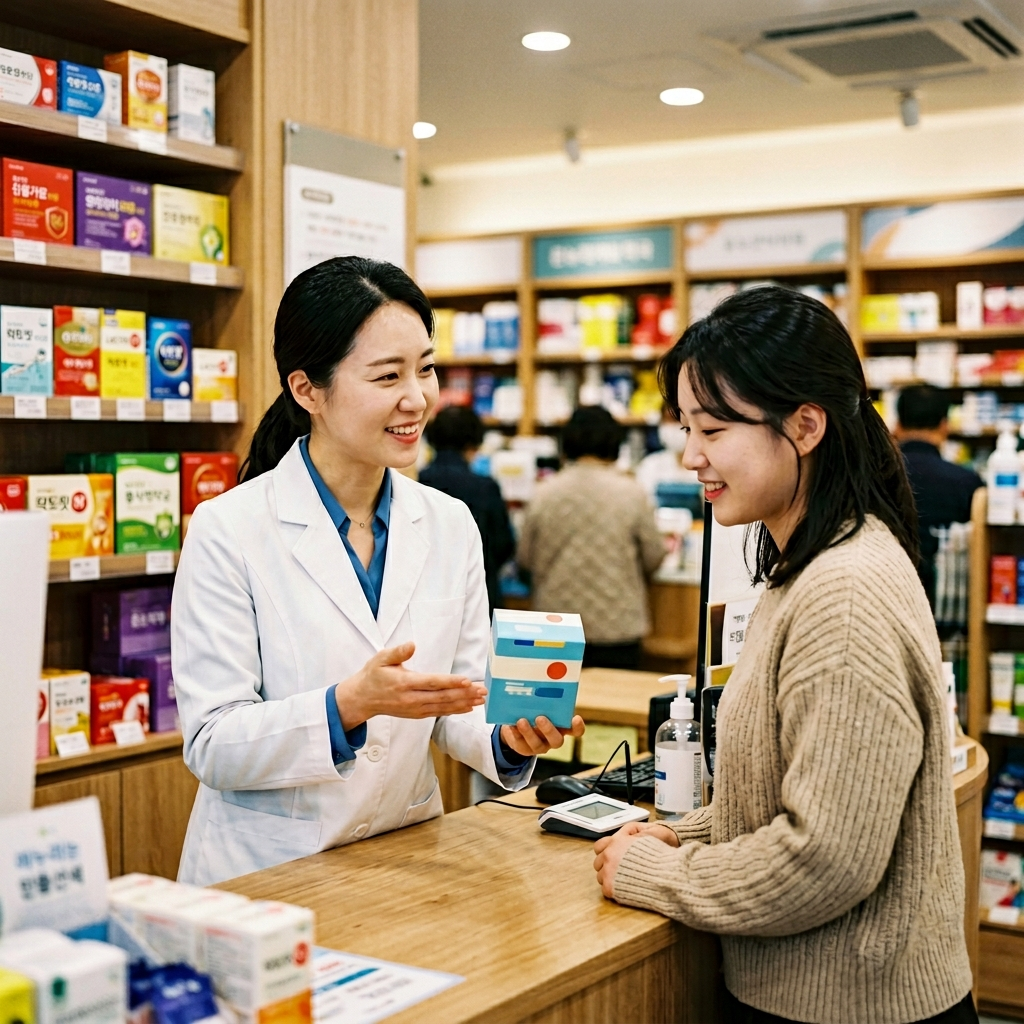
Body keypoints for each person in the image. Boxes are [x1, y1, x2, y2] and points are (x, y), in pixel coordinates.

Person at [592, 287, 977, 1024]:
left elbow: (825, 860)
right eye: (685, 427)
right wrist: (684, 831)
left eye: (712, 428)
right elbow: (793, 793)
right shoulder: (810, 560)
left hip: (851, 1010)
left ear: (804, 425)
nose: (691, 455)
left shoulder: (844, 594)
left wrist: (659, 873)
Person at [171, 257, 583, 885]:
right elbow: (212, 742)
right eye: (388, 375)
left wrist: (508, 737)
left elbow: (460, 699)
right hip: (268, 873)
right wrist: (346, 706)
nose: (416, 398)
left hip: (404, 860)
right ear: (307, 390)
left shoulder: (449, 523)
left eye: (426, 368)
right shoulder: (228, 529)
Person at [517, 405, 665, 670]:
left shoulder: (544, 493)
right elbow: (654, 555)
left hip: (557, 626)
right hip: (618, 625)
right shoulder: (631, 492)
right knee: (617, 695)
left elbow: (525, 558)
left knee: (556, 696)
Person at [419, 405, 515, 612]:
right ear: (474, 443)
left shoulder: (415, 483)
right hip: (478, 595)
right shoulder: (485, 488)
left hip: (425, 597)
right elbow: (503, 545)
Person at [895, 384, 983, 606]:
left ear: (897, 425)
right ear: (945, 426)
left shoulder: (872, 476)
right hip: (949, 604)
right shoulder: (966, 482)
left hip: (886, 594)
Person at [634, 406, 699, 506]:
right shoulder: (650, 465)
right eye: (668, 420)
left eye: (679, 421)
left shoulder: (708, 467)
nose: (673, 427)